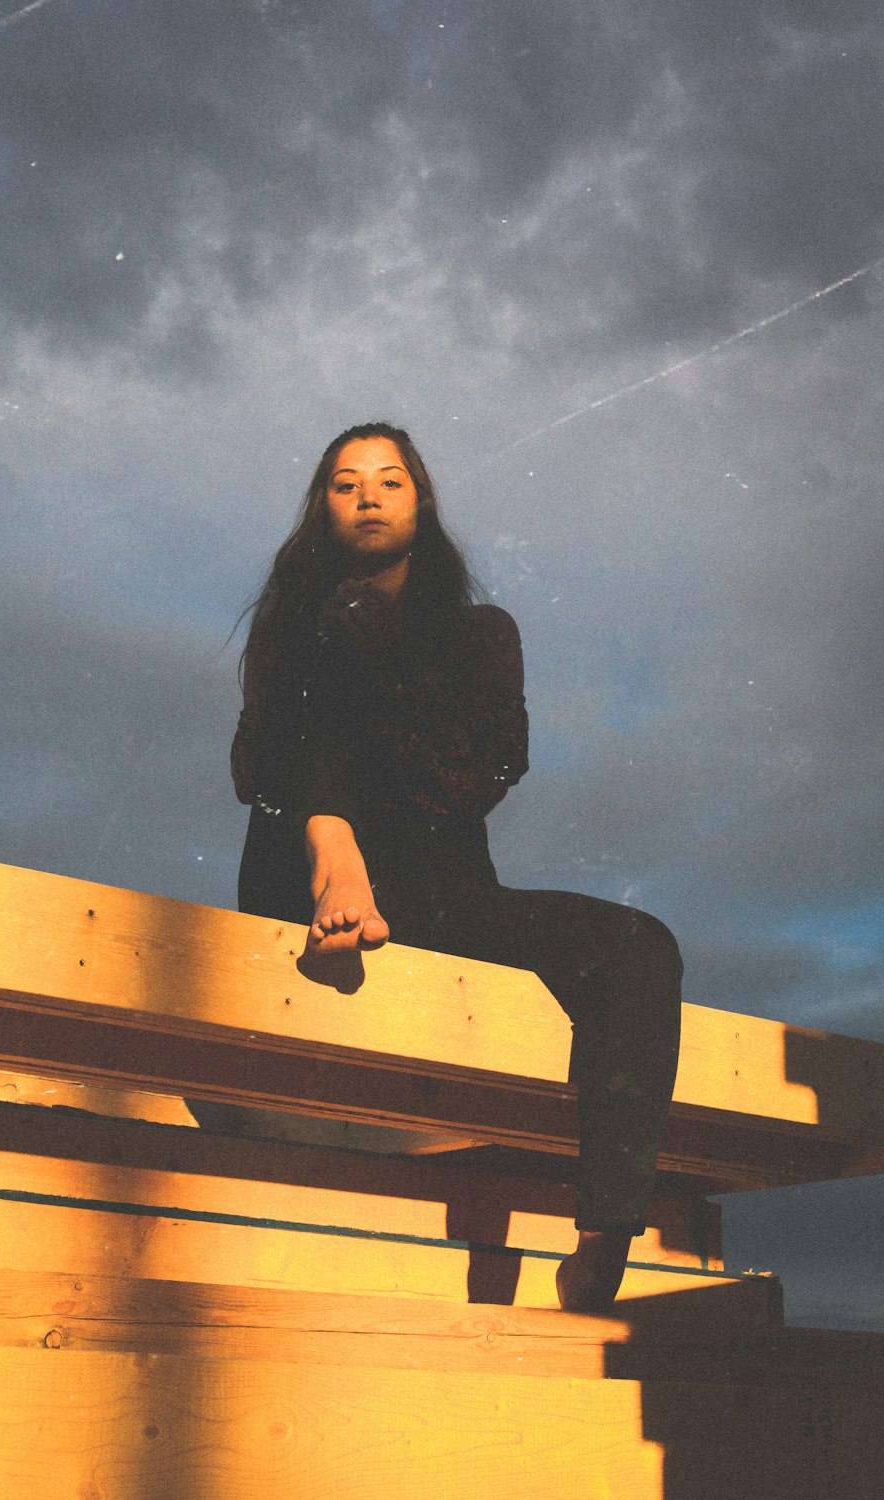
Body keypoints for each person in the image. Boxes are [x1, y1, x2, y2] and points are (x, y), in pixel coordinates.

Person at [231, 421, 683, 1313]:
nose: (368, 495)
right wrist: (339, 653)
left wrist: (381, 654)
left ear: (420, 502)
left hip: (439, 893)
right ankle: (340, 873)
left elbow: (487, 770)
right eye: (346, 482)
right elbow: (256, 772)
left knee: (641, 946)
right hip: (299, 879)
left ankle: (606, 1233)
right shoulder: (293, 631)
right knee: (325, 680)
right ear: (322, 508)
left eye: (389, 480)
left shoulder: (480, 634)